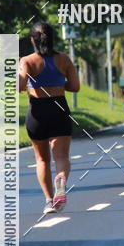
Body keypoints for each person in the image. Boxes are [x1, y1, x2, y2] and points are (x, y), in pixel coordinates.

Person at [19, 21, 79, 214]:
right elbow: (75, 86)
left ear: (32, 40)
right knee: (61, 156)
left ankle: (48, 200)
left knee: (42, 160)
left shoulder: (27, 61)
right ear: (52, 38)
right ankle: (60, 178)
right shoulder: (64, 59)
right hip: (59, 108)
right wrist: (58, 84)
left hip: (37, 111)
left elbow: (20, 86)